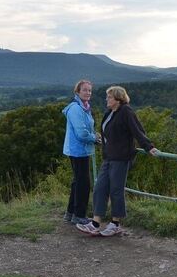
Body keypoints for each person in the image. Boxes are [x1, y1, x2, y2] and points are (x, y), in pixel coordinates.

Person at [77, 85, 158, 237]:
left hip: (121, 158)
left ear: (118, 99)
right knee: (100, 188)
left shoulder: (126, 112)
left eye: (109, 97)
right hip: (109, 157)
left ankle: (115, 224)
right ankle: (95, 223)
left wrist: (149, 147)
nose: (106, 99)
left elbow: (137, 130)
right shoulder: (110, 113)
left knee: (116, 190)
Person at [62, 79, 101, 225]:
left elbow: (86, 129)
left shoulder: (84, 107)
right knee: (84, 183)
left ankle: (70, 213)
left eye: (90, 90)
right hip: (78, 150)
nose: (88, 93)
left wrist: (93, 135)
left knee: (77, 182)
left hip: (81, 149)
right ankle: (79, 215)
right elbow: (82, 134)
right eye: (84, 90)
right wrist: (95, 139)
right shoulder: (76, 109)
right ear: (77, 92)